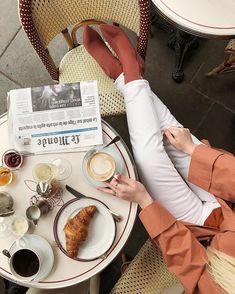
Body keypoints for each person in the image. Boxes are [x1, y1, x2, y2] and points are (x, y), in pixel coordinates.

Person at [83, 24, 235, 293]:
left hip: (197, 235)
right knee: (172, 135)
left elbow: (193, 272)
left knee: (149, 155)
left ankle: (127, 73)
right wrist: (195, 152)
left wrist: (146, 202)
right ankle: (127, 74)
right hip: (227, 200)